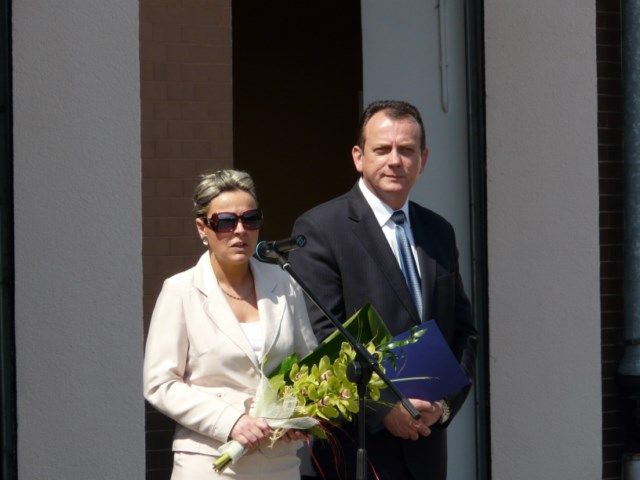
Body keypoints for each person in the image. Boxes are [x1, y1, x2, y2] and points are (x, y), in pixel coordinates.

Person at [289, 100, 477, 480]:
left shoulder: (438, 231)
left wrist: (441, 406)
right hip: (357, 449)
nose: (395, 161)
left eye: (406, 150)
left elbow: (463, 333)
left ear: (423, 159)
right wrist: (384, 408)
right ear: (358, 157)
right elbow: (322, 336)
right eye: (382, 149)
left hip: (425, 449)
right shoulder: (321, 228)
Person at [144, 169, 318, 480]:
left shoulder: (284, 283)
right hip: (211, 460)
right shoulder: (180, 290)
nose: (240, 230)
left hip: (279, 461)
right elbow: (160, 383)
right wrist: (230, 420)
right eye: (225, 222)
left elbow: (310, 365)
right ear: (202, 227)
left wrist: (299, 412)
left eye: (250, 219)